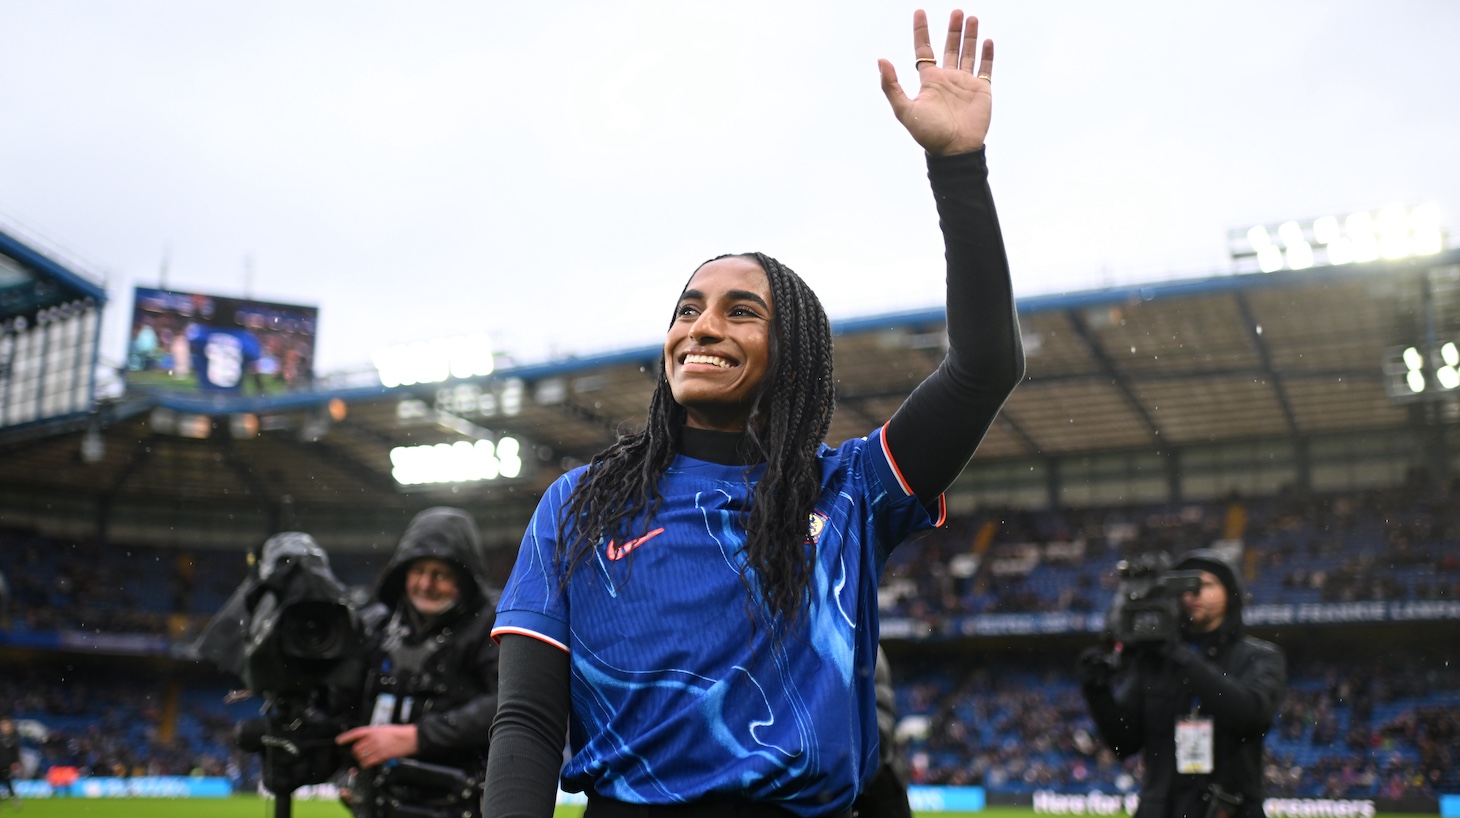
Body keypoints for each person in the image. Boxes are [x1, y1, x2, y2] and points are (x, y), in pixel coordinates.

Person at [484, 9, 1023, 817]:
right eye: (688, 308)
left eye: (741, 311)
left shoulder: (851, 490)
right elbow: (527, 721)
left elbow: (985, 366)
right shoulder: (579, 504)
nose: (703, 327)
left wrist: (958, 168)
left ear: (794, 354)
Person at [1079, 549, 1287, 818]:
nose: (1195, 592)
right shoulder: (1155, 661)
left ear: (1231, 593)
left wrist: (1180, 655)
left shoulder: (1260, 656)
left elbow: (1250, 715)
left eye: (1207, 584)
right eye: (1186, 584)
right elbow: (1124, 743)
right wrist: (1097, 691)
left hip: (1227, 810)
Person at [337, 507, 501, 818]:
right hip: (379, 801)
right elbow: (348, 701)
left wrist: (417, 738)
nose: (426, 584)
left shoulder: (493, 624)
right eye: (418, 571)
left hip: (458, 802)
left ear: (465, 579)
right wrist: (348, 763)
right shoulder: (376, 625)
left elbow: (508, 702)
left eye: (440, 574)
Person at [0, 718, 19, 806]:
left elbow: (15, 752)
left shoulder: (12, 739)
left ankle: (13, 798)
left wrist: (15, 762)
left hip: (6, 764)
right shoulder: (1, 738)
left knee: (8, 782)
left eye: (6, 725)